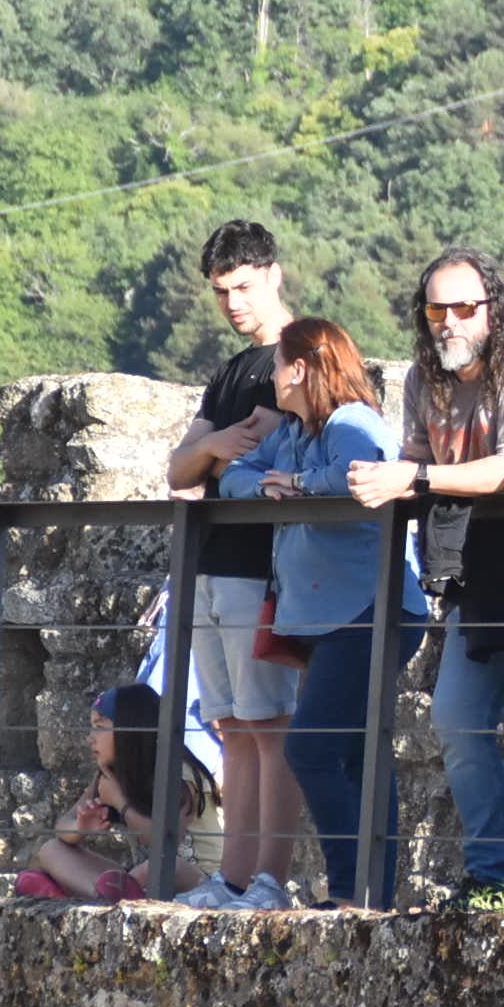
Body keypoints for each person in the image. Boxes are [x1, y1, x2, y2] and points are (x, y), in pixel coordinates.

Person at [346, 248, 504, 908]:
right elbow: (415, 456)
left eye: (465, 307)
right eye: (436, 309)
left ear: (492, 309)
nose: (450, 321)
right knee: (456, 719)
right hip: (479, 582)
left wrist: (412, 478)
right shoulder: (426, 377)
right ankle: (493, 873)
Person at [221, 318, 429, 908]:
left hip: (370, 610)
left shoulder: (351, 422)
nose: (272, 379)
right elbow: (235, 475)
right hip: (335, 615)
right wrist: (264, 487)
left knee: (310, 749)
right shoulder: (294, 429)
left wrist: (298, 483)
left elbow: (358, 476)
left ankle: (351, 893)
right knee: (361, 757)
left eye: (279, 367)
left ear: (304, 369)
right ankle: (366, 896)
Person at [163, 221, 304, 913]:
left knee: (268, 725)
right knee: (233, 727)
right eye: (221, 291)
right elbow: (179, 468)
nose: (232, 303)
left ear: (274, 273)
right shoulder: (229, 372)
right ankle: (237, 878)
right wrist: (220, 443)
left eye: (243, 287)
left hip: (265, 564)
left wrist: (216, 452)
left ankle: (269, 880)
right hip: (216, 562)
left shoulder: (303, 354)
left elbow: (271, 451)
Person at [19, 685, 226, 902]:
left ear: (131, 729)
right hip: (141, 881)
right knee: (51, 849)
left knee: (162, 866)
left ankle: (85, 895)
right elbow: (63, 826)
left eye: (99, 726)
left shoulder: (180, 772)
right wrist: (79, 827)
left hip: (199, 880)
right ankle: (108, 894)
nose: (90, 738)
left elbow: (164, 840)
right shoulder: (111, 774)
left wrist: (120, 801)